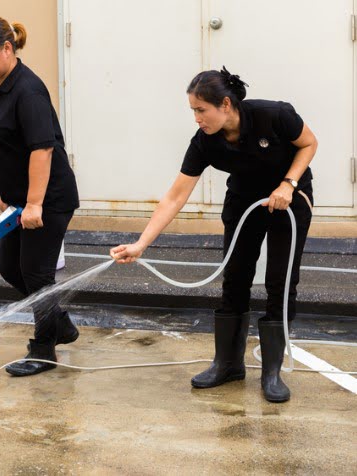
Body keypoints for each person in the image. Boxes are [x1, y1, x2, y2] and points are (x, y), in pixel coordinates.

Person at [110, 67, 318, 403]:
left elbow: (309, 143)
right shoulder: (205, 142)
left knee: (281, 280)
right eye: (192, 110)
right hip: (243, 200)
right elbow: (175, 196)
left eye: (201, 110)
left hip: (288, 200)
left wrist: (288, 183)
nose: (196, 118)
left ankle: (272, 372)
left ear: (225, 104)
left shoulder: (273, 115)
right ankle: (228, 364)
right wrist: (141, 243)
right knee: (234, 277)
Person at [0, 16, 80, 376]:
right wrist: (9, 196)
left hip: (49, 199)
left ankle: (44, 349)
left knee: (35, 272)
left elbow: (41, 149)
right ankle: (59, 323)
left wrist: (33, 202)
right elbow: (0, 142)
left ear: (7, 48)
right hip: (20, 201)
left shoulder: (28, 89)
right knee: (9, 268)